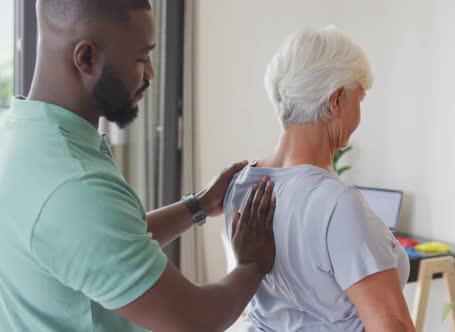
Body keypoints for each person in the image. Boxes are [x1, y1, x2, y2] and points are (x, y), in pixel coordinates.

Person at [0, 1, 276, 331]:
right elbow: (194, 319)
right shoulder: (74, 185)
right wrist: (252, 263)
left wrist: (198, 204)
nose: (150, 73)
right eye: (141, 58)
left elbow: (111, 242)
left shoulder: (26, 134)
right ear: (86, 58)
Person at [223, 27, 416, 331]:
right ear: (336, 100)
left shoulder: (240, 185)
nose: (359, 115)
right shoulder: (336, 203)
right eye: (360, 99)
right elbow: (392, 326)